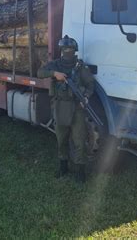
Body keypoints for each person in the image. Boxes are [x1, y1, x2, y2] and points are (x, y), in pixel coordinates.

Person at [37, 35, 95, 183]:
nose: (67, 51)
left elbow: (90, 85)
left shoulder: (80, 67)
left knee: (79, 140)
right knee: (61, 138)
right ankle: (63, 166)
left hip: (76, 107)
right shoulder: (55, 64)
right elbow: (40, 72)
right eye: (64, 48)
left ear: (74, 50)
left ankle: (80, 170)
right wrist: (54, 74)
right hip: (59, 106)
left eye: (69, 48)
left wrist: (86, 97)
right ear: (61, 50)